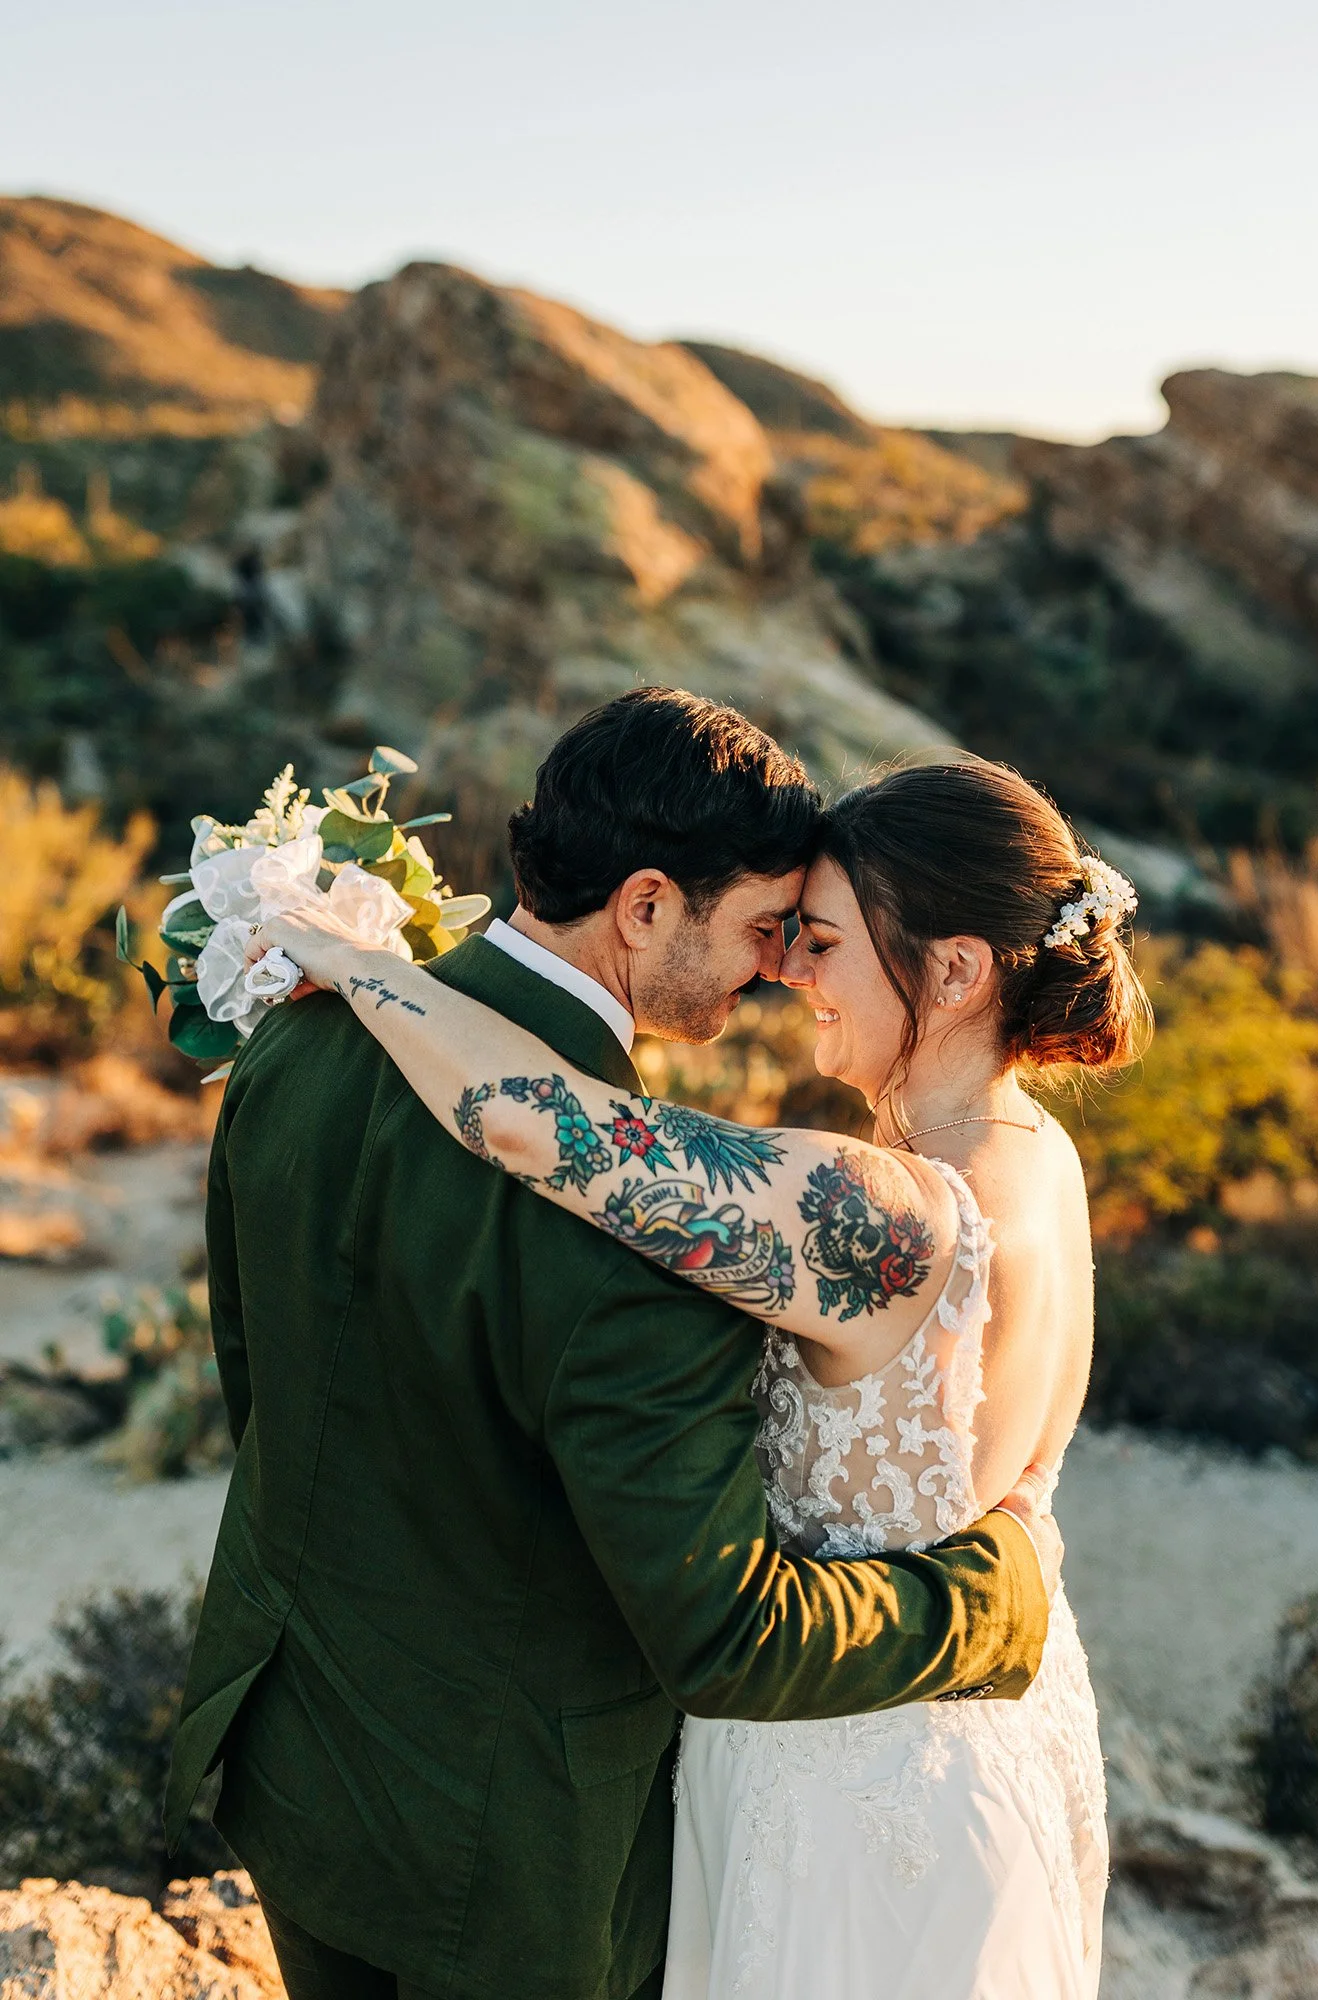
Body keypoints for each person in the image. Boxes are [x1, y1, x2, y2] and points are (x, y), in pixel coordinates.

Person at [167, 690, 1055, 2000]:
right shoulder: (652, 1246)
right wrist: (992, 1601)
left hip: (295, 1761)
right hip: (514, 1866)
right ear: (645, 905)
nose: (770, 971)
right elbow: (727, 1635)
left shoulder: (292, 1042)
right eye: (761, 929)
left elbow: (262, 1384)